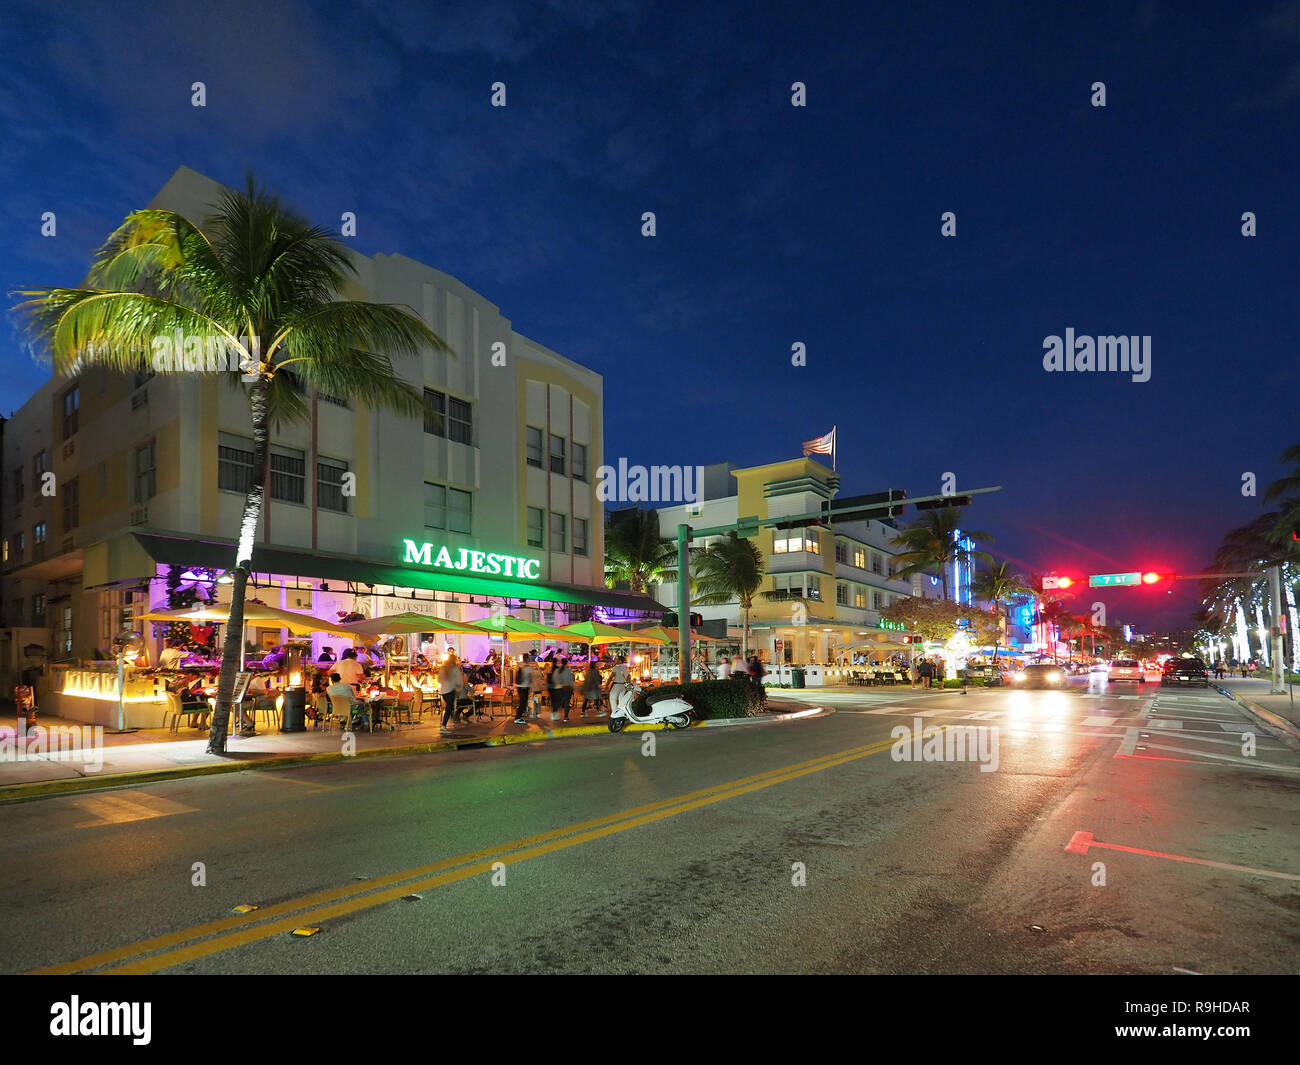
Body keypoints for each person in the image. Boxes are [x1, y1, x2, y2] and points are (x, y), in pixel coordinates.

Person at [438, 654, 464, 733]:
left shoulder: (443, 668)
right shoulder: (455, 669)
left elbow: (439, 680)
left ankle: (453, 719)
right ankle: (443, 726)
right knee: (449, 708)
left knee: (450, 707)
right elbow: (459, 680)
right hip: (450, 690)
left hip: (443, 691)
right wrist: (458, 686)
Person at [550, 656, 576, 721]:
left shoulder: (557, 671)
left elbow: (554, 680)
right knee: (566, 703)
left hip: (558, 689)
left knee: (558, 702)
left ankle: (555, 714)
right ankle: (566, 717)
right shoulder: (569, 671)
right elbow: (571, 680)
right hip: (567, 689)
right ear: (566, 663)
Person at [512, 653, 535, 724]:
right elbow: (531, 677)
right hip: (524, 687)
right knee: (523, 703)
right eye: (529, 658)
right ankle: (517, 718)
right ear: (527, 659)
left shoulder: (519, 665)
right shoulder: (528, 667)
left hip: (519, 686)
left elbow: (515, 674)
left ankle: (519, 717)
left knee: (522, 702)